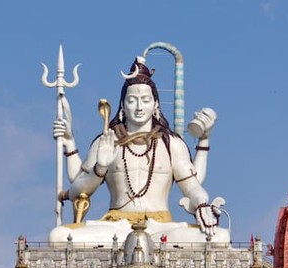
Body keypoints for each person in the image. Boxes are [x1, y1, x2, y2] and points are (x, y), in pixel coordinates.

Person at [51, 57, 225, 244]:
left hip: (160, 228)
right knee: (58, 236)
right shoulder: (108, 140)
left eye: (145, 100)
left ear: (155, 104)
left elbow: (192, 186)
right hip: (116, 227)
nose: (140, 107)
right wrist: (99, 167)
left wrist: (202, 204)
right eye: (133, 100)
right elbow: (78, 189)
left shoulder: (171, 143)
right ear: (123, 106)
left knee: (220, 238)